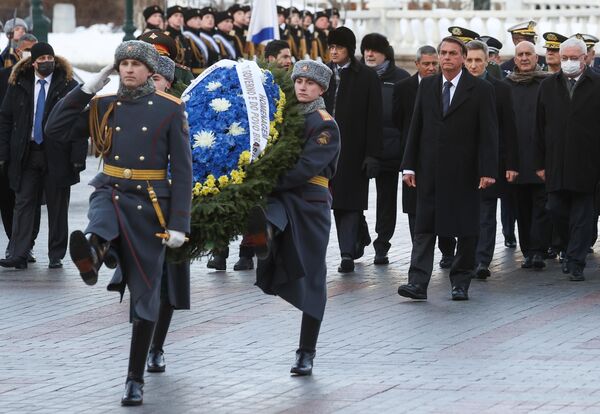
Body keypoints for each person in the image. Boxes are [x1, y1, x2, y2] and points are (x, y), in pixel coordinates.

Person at [44, 40, 192, 405]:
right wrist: (88, 87)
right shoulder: (105, 105)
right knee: (99, 216)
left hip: (150, 203)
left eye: (134, 64)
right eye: (122, 63)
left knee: (145, 294)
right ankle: (93, 253)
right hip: (110, 188)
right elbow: (55, 129)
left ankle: (134, 378)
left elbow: (184, 172)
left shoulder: (170, 109)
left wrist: (179, 224)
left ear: (150, 71)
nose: (127, 69)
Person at [252, 59, 340, 376]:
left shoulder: (324, 124)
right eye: (298, 81)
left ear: (322, 89)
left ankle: (306, 351)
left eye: (310, 83)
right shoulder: (281, 117)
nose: (302, 87)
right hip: (280, 198)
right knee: (269, 217)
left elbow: (306, 168)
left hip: (309, 202)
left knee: (313, 277)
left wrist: (264, 180)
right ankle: (262, 238)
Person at [398, 36, 498, 301]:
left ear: (463, 58)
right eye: (443, 53)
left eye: (452, 53)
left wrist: (488, 169)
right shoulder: (428, 86)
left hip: (465, 172)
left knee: (465, 228)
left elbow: (489, 133)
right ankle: (417, 283)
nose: (446, 58)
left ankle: (460, 282)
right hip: (429, 170)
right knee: (424, 228)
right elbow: (415, 127)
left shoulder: (480, 89)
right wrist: (408, 166)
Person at [0, 42, 80, 270]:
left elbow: (78, 122)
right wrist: (3, 153)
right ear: (33, 62)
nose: (47, 61)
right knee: (23, 202)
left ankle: (56, 254)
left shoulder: (68, 84)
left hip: (58, 153)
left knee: (57, 205)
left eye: (50, 57)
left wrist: (77, 157)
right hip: (26, 153)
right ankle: (19, 253)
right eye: (42, 58)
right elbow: (5, 118)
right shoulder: (18, 84)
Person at [534, 37, 600, 281]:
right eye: (565, 58)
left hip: (587, 165)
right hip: (555, 163)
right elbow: (539, 127)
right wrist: (538, 163)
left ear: (585, 58)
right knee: (556, 209)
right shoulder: (548, 86)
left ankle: (576, 261)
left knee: (583, 216)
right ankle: (566, 246)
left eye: (574, 58)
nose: (569, 62)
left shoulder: (597, 84)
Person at [144, 54, 191, 375]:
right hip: (136, 208)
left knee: (168, 287)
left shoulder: (179, 114)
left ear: (168, 84)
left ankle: (156, 347)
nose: (151, 85)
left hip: (171, 208)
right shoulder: (128, 108)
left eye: (157, 80)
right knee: (142, 284)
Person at [324, 27, 383, 273]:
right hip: (324, 149)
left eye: (339, 47)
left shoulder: (366, 77)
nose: (334, 51)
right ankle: (355, 237)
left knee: (349, 204)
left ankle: (346, 254)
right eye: (331, 47)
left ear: (350, 49)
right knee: (329, 201)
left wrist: (372, 154)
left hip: (354, 150)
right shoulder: (322, 73)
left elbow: (375, 118)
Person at [464, 40, 519, 279]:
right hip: (462, 162)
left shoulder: (501, 89)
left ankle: (482, 260)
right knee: (465, 211)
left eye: (478, 60)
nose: (474, 65)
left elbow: (509, 129)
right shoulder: (455, 87)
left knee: (486, 212)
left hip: (490, 161)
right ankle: (464, 255)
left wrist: (511, 164)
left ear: (488, 60)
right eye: (470, 60)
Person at [360, 33, 409, 265]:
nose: (369, 54)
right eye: (366, 49)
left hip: (390, 150)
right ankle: (356, 239)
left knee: (386, 200)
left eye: (375, 50)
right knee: (353, 199)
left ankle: (382, 243)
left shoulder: (400, 78)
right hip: (359, 151)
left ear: (385, 53)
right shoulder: (353, 76)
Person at [504, 41, 552, 271]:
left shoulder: (547, 84)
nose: (524, 58)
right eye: (520, 55)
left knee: (542, 207)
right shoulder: (506, 86)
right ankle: (528, 251)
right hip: (516, 160)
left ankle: (539, 251)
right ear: (515, 60)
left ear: (536, 57)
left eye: (528, 54)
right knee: (521, 208)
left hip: (541, 159)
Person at [393, 45, 438, 241]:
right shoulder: (403, 88)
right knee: (413, 205)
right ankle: (416, 243)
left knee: (441, 202)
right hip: (412, 154)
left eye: (434, 64)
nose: (431, 68)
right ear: (417, 64)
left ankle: (446, 251)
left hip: (438, 154)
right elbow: (397, 120)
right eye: (426, 64)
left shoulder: (444, 85)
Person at [0, 33, 40, 259]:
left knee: (28, 198)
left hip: (31, 148)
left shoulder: (44, 78)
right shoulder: (5, 77)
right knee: (6, 197)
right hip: (8, 145)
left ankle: (25, 244)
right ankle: (13, 240)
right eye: (26, 50)